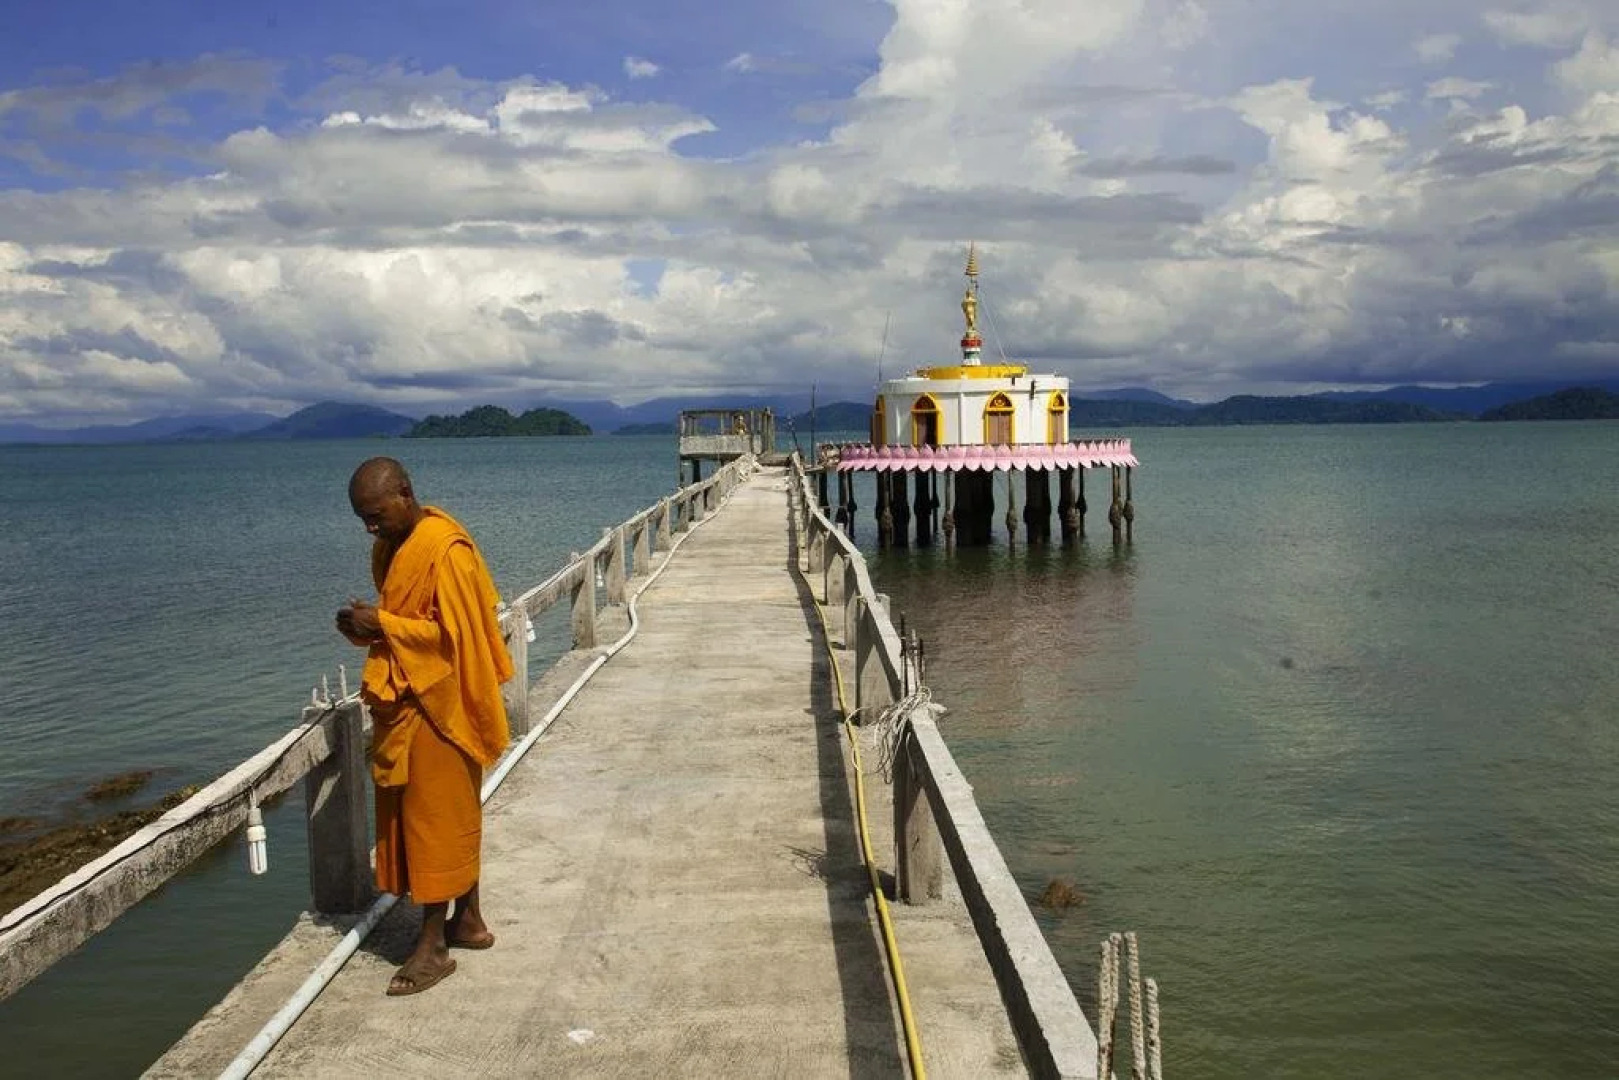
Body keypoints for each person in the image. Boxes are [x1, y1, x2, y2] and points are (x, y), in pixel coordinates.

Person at [336, 457, 513, 996]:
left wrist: (381, 623)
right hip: (411, 698)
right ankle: (469, 921)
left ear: (405, 493)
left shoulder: (446, 549)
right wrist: (367, 629)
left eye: (376, 515)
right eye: (362, 519)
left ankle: (433, 946)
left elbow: (457, 638)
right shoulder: (389, 547)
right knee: (450, 816)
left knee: (432, 824)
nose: (370, 527)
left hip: (444, 703)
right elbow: (409, 623)